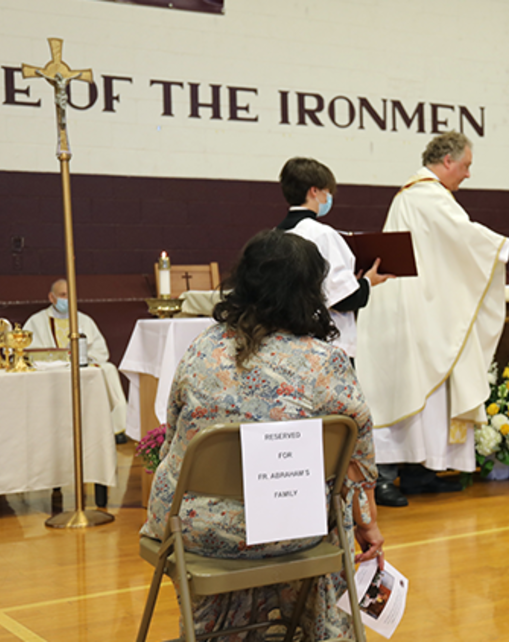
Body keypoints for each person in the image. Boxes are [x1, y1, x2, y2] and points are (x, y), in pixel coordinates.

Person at [141, 230, 383, 640]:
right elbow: (357, 460)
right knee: (334, 504)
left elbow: (174, 439)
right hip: (294, 530)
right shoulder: (326, 362)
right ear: (309, 289)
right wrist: (367, 528)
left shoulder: (201, 350)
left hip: (198, 533)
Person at [355, 132, 509, 507]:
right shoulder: (425, 195)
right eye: (466, 165)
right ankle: (387, 477)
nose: (468, 175)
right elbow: (465, 235)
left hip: (425, 306)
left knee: (427, 388)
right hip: (408, 310)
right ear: (446, 161)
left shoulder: (425, 196)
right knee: (406, 386)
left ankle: (421, 471)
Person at [276, 157, 392, 359]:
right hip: (326, 345)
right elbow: (343, 299)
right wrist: (367, 282)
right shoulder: (322, 234)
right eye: (327, 192)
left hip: (287, 342)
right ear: (314, 191)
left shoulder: (274, 235)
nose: (329, 197)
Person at [24, 279, 128, 441]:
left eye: (71, 295)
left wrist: (84, 358)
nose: (68, 299)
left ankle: (117, 428)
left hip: (82, 367)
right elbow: (30, 351)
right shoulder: (36, 321)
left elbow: (101, 351)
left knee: (108, 369)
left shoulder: (84, 320)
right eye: (63, 295)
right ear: (52, 298)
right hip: (52, 370)